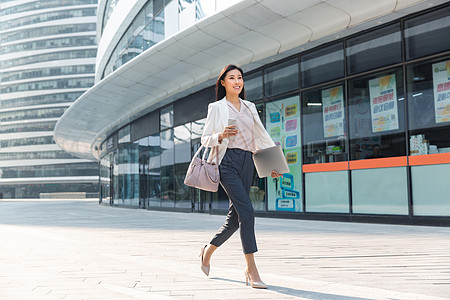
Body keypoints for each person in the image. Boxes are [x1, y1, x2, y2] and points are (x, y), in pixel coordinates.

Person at [199, 64, 282, 289]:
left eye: (240, 78)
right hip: (226, 163)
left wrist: (272, 164)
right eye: (232, 78)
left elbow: (260, 137)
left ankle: (208, 250)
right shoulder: (216, 108)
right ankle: (251, 268)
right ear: (223, 82)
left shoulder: (249, 107)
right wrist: (220, 134)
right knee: (247, 211)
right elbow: (204, 139)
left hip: (247, 162)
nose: (237, 81)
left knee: (234, 220)